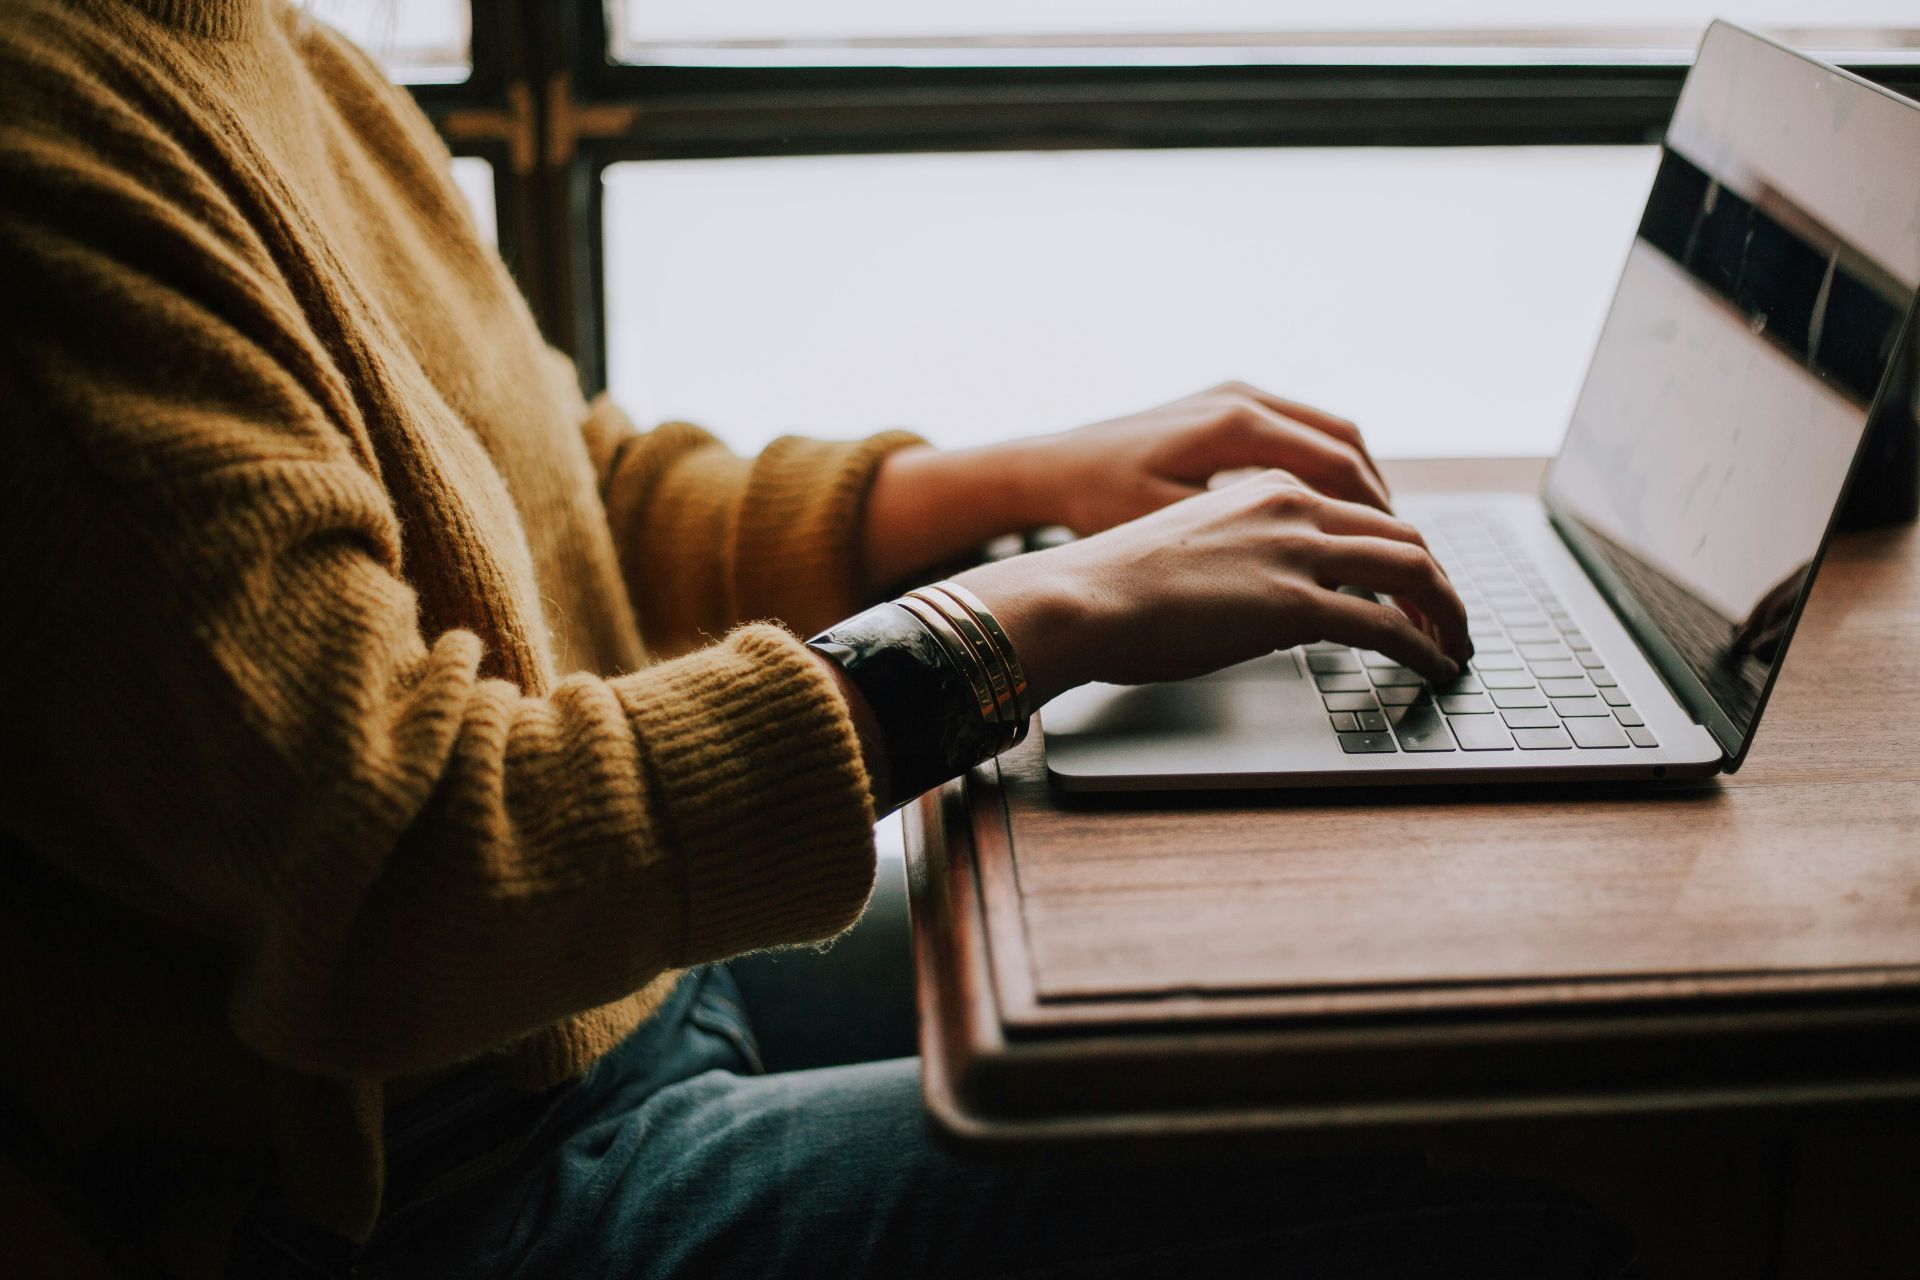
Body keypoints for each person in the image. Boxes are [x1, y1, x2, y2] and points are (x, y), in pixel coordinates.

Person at [0, 2, 1637, 1277]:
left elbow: (572, 490)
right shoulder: (50, 160)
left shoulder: (260, 46)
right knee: (1484, 1177)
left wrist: (1018, 482)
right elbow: (422, 862)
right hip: (425, 1190)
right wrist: (1027, 619)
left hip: (602, 994)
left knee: (1348, 972)